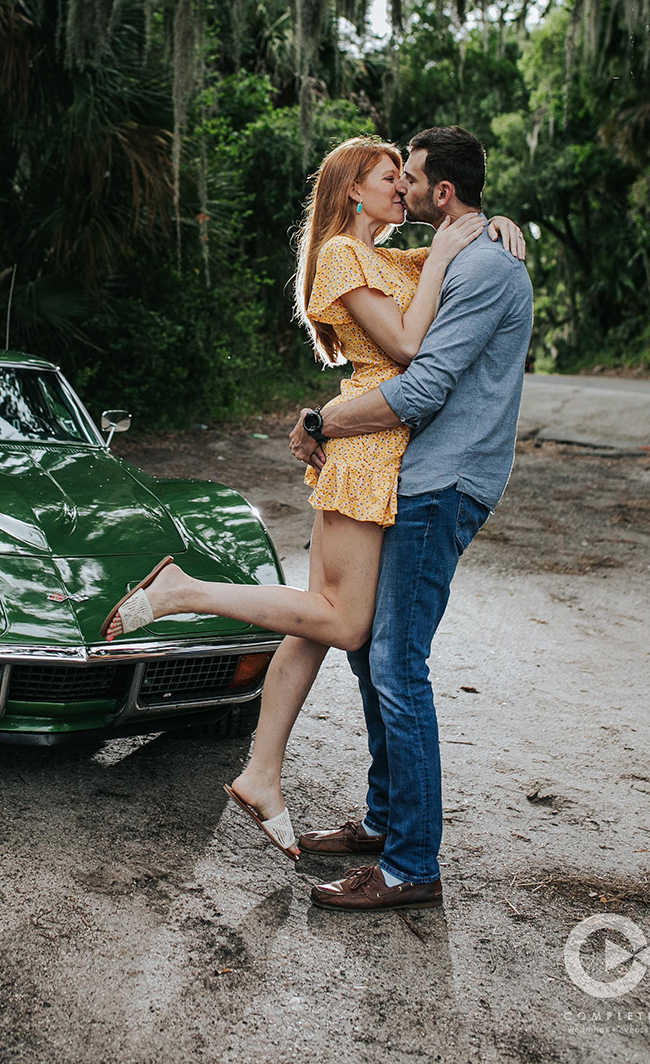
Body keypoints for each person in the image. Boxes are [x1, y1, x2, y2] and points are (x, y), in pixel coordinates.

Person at [100, 130, 528, 880]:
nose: (403, 188)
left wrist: (493, 227)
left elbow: (463, 259)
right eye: (390, 176)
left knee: (324, 621)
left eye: (411, 177)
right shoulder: (342, 254)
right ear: (351, 189)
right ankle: (183, 593)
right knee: (348, 626)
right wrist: (458, 243)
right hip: (368, 445)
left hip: (384, 446)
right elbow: (406, 350)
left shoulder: (407, 254)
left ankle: (263, 772)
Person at [289, 125, 533, 913]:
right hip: (410, 478)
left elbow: (422, 388)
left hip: (443, 484)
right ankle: (385, 821)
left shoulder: (486, 270)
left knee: (396, 664)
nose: (406, 187)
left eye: (414, 177)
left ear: (445, 193)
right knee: (369, 655)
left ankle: (410, 865)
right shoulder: (460, 253)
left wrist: (326, 421)